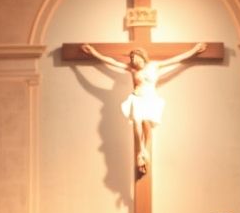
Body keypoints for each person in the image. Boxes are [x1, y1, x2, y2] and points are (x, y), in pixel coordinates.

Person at [81, 43, 206, 174]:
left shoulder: (154, 66)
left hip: (150, 99)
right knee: (136, 120)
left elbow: (176, 59)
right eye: (131, 58)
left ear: (142, 56)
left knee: (146, 125)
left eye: (135, 57)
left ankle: (145, 152)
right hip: (137, 99)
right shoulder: (133, 70)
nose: (133, 60)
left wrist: (195, 50)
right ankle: (140, 152)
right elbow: (111, 61)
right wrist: (93, 52)